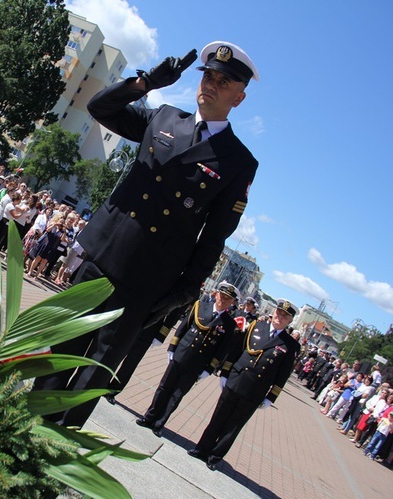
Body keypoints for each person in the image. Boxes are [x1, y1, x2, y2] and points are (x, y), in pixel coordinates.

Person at [32, 41, 260, 427]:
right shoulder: (165, 118)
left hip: (149, 280)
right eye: (208, 76)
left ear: (238, 98)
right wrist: (146, 82)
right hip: (104, 255)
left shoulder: (239, 161)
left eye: (223, 82)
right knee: (63, 346)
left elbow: (216, 235)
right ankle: (27, 428)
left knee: (96, 370)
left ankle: (56, 446)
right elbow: (100, 108)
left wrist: (187, 290)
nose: (211, 85)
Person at [189, 299, 299, 470]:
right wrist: (225, 373)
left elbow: (283, 375)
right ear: (274, 312)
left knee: (234, 425)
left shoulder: (290, 345)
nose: (280, 317)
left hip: (256, 390)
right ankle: (201, 449)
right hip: (236, 378)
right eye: (279, 312)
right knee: (218, 417)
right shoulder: (256, 326)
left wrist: (271, 397)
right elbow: (236, 351)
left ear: (290, 321)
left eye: (285, 316)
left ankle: (215, 456)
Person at [135, 282, 240, 435]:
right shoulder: (200, 306)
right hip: (181, 353)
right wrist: (172, 348)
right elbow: (183, 327)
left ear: (232, 303)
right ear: (216, 294)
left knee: (177, 395)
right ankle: (149, 417)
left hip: (198, 363)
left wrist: (209, 369)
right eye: (222, 296)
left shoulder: (230, 325)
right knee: (164, 387)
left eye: (227, 299)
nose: (223, 300)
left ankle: (159, 423)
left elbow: (221, 351)